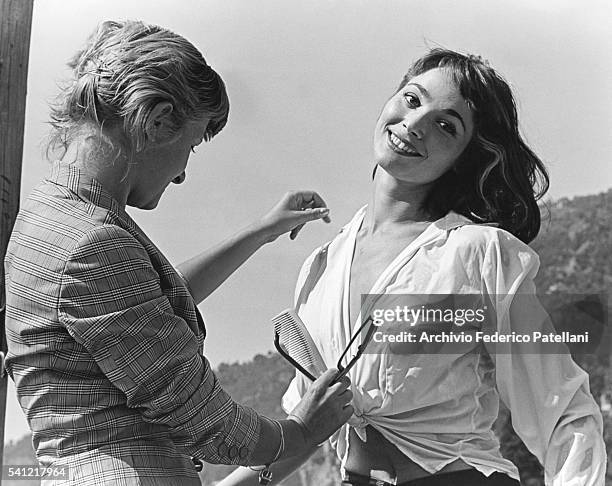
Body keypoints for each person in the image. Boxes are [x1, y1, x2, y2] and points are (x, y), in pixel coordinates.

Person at [220, 49, 606, 485]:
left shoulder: (478, 255)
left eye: (446, 125)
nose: (415, 123)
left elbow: (561, 410)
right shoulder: (321, 267)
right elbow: (306, 424)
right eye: (412, 99)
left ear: (463, 157)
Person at [3, 20, 355, 485]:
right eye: (191, 144)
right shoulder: (95, 245)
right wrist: (299, 432)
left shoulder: (52, 217)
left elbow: (143, 308)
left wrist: (262, 230)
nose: (184, 172)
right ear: (158, 120)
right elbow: (198, 413)